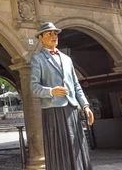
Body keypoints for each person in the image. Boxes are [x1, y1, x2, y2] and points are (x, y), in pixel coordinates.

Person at [30, 22, 94, 170]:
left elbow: (76, 85)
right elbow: (34, 87)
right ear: (41, 38)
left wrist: (85, 105)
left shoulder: (67, 59)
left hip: (72, 108)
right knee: (60, 147)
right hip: (53, 110)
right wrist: (51, 91)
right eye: (49, 34)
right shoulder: (37, 59)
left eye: (55, 33)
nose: (54, 36)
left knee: (77, 146)